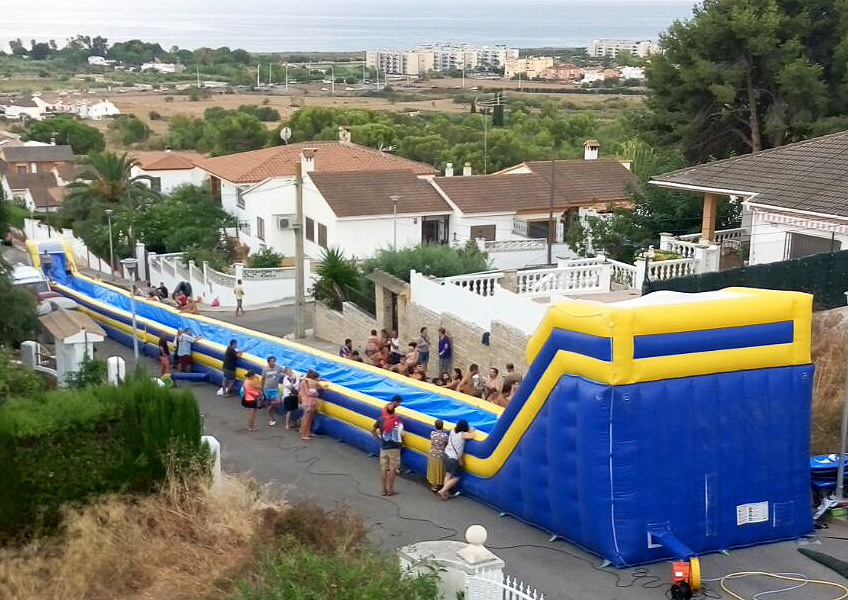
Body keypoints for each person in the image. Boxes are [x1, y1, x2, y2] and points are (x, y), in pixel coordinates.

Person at [372, 397, 404, 496]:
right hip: (394, 448)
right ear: (394, 411)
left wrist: (379, 438)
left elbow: (372, 430)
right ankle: (390, 490)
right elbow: (402, 434)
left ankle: (383, 490)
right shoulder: (397, 420)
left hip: (384, 447)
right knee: (392, 470)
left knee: (384, 469)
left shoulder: (380, 419)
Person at [439, 419, 476, 500]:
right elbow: (473, 435)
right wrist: (472, 430)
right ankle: (443, 490)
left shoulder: (452, 430)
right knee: (456, 477)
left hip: (446, 454)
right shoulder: (462, 434)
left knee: (448, 474)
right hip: (453, 458)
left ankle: (446, 493)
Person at [299, 369, 326, 440]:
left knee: (309, 419)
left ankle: (307, 433)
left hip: (310, 402)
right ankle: (303, 434)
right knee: (306, 419)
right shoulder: (305, 381)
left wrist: (321, 385)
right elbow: (308, 393)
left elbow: (316, 384)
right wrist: (316, 394)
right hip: (308, 402)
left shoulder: (309, 381)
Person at [262, 356, 286, 425]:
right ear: (268, 362)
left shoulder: (278, 367)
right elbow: (263, 378)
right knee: (267, 403)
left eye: (274, 361)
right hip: (267, 388)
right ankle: (271, 418)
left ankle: (271, 407)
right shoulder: (265, 369)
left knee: (278, 401)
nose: (273, 363)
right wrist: (262, 387)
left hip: (275, 389)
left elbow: (285, 371)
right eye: (271, 361)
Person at [427, 419, 449, 492]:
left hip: (433, 454)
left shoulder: (433, 434)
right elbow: (446, 443)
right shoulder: (445, 436)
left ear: (435, 426)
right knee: (440, 469)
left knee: (433, 469)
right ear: (442, 426)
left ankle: (434, 485)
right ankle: (440, 483)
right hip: (441, 455)